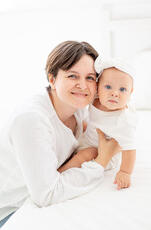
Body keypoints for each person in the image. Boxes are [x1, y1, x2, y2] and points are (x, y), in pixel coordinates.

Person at [0, 41, 121, 228]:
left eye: (90, 78)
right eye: (73, 76)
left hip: (29, 196)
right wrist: (100, 163)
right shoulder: (32, 120)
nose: (83, 85)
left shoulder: (78, 107)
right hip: (9, 210)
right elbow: (46, 195)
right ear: (52, 79)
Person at [58, 56, 137, 191]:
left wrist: (125, 172)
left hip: (103, 150)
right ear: (98, 88)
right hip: (88, 138)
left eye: (122, 90)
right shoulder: (96, 99)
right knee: (79, 128)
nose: (114, 94)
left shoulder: (123, 120)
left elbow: (130, 148)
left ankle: (59, 173)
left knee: (86, 154)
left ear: (130, 92)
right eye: (108, 87)